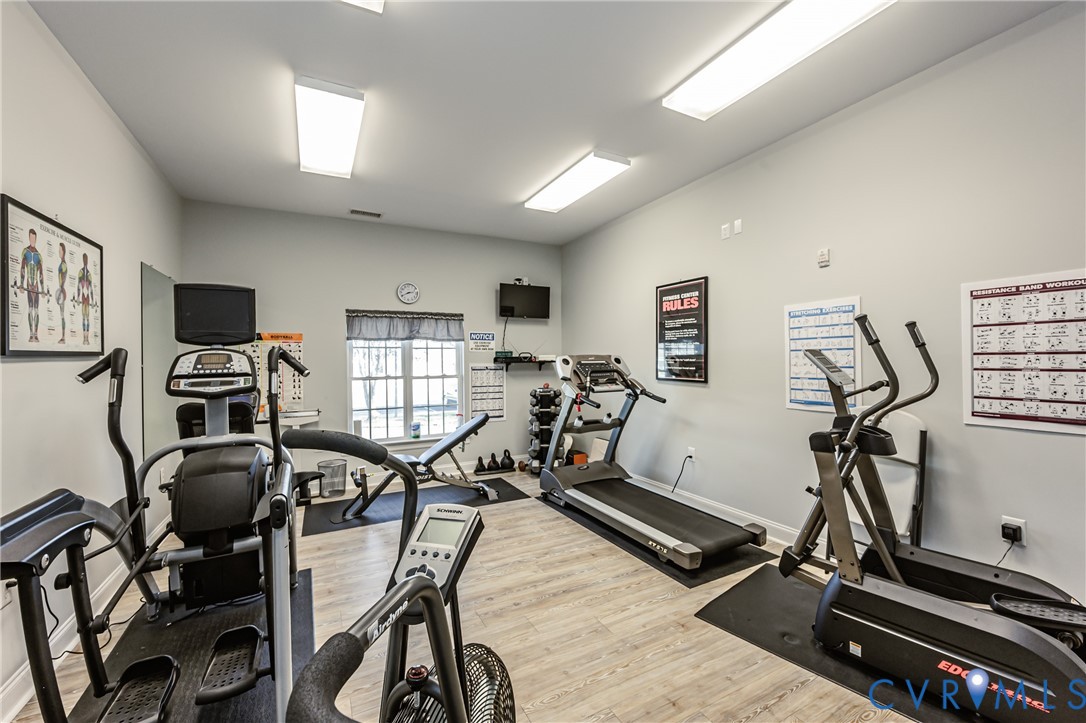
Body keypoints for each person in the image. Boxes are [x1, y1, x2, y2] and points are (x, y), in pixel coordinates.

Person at [18, 228, 44, 342]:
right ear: (29, 238)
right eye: (31, 238)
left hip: (36, 285)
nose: (32, 240)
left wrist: (42, 289)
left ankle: (36, 334)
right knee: (30, 309)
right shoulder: (26, 252)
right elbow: (23, 268)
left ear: (36, 239)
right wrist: (21, 283)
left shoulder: (38, 255)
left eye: (34, 238)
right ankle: (30, 334)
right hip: (29, 284)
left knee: (36, 310)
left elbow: (41, 273)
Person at [75, 252, 95, 345]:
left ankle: (87, 338)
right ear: (83, 260)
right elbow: (78, 285)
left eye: (86, 259)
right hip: (83, 297)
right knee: (84, 318)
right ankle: (84, 338)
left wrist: (93, 300)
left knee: (88, 318)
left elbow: (91, 288)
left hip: (87, 298)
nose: (85, 261)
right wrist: (78, 297)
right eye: (84, 259)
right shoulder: (81, 272)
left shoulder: (89, 274)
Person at [55, 242, 68, 344]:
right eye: (59, 250)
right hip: (61, 290)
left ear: (63, 251)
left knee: (62, 315)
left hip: (62, 291)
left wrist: (60, 292)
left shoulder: (63, 264)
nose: (59, 252)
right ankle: (63, 337)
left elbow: (63, 278)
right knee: (61, 315)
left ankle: (63, 337)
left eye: (60, 250)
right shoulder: (62, 263)